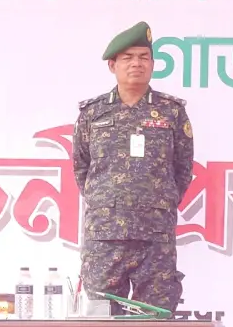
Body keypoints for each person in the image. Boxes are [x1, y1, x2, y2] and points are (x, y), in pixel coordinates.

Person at [72, 21, 194, 316]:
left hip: (155, 235)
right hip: (104, 234)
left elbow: (183, 168)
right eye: (127, 58)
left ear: (152, 64)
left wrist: (158, 202)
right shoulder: (93, 113)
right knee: (100, 314)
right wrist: (107, 203)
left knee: (155, 314)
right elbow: (81, 167)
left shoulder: (171, 111)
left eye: (143, 57)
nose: (136, 64)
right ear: (112, 65)